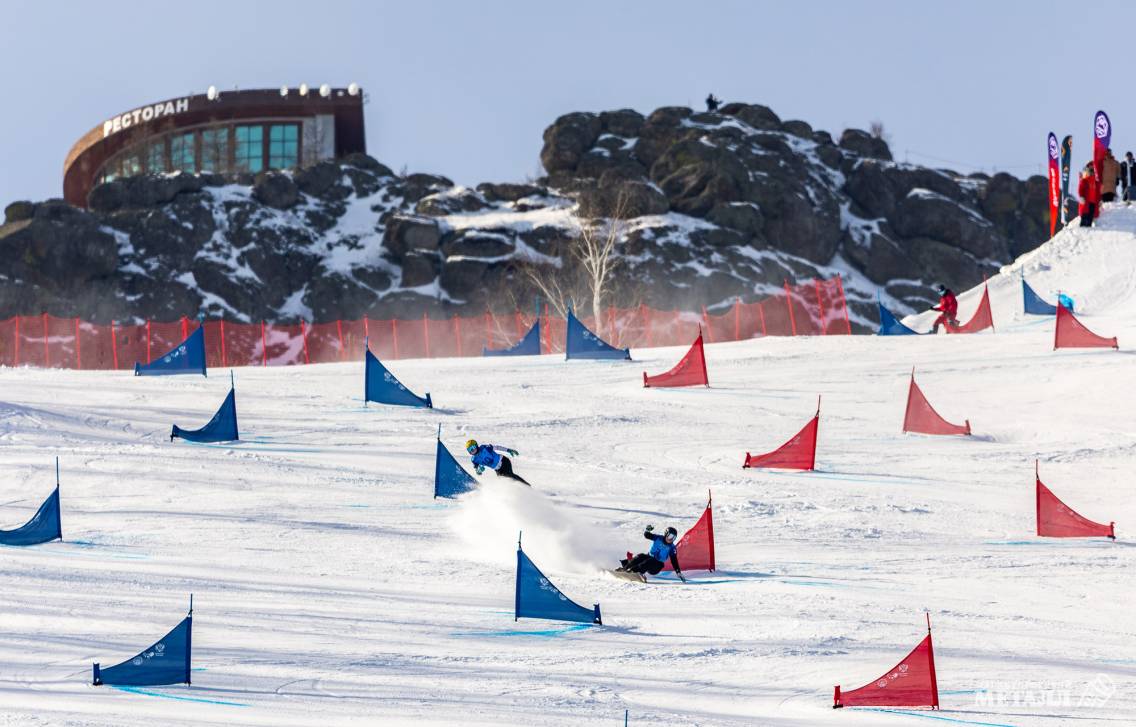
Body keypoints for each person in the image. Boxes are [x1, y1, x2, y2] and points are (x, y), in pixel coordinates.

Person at [618, 524, 686, 581]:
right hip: (648, 558)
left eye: (674, 537)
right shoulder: (658, 538)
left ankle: (635, 572)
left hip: (657, 566)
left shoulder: (672, 547)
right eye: (670, 536)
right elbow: (647, 535)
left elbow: (674, 560)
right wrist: (647, 530)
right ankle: (625, 569)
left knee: (651, 560)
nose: (671, 539)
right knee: (640, 556)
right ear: (666, 534)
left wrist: (678, 572)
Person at [466, 439, 530, 486]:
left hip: (503, 461)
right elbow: (477, 472)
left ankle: (527, 486)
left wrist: (508, 450)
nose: (472, 450)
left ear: (476, 445)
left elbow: (497, 447)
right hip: (497, 469)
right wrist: (479, 471)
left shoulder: (484, 448)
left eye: (473, 447)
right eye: (470, 450)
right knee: (503, 482)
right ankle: (519, 490)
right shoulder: (474, 460)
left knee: (510, 475)